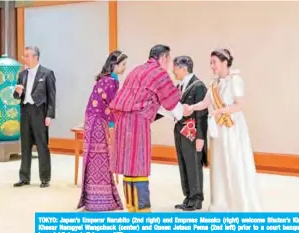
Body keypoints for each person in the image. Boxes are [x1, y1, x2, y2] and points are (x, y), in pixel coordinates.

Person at [109, 45, 186, 212]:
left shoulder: (137, 69)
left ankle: (132, 207)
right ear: (164, 58)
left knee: (128, 166)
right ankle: (143, 210)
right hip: (136, 121)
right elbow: (170, 100)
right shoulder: (159, 73)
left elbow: (148, 99)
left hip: (121, 120)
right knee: (139, 165)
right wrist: (182, 111)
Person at [186, 49, 261, 212]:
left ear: (225, 62)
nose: (212, 66)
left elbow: (240, 105)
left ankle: (238, 204)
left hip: (232, 127)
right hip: (218, 131)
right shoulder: (214, 83)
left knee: (234, 162)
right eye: (211, 62)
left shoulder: (235, 80)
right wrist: (190, 107)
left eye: (214, 62)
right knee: (219, 164)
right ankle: (221, 203)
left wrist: (220, 111)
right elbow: (205, 103)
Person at [155, 56, 208, 211]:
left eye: (176, 68)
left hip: (192, 133)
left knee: (193, 165)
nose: (173, 71)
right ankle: (188, 196)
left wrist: (200, 137)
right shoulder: (180, 87)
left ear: (184, 69)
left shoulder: (198, 86)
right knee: (184, 165)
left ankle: (196, 199)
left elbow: (202, 114)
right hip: (180, 131)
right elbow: (170, 107)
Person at [77, 51, 127, 212]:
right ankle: (102, 199)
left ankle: (92, 198)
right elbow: (113, 106)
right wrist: (114, 127)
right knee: (102, 158)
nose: (125, 68)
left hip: (92, 122)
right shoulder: (111, 82)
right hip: (99, 123)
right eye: (123, 64)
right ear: (114, 65)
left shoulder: (104, 80)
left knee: (94, 159)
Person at [13, 46, 56, 188]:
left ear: (35, 57)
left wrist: (49, 115)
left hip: (39, 113)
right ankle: (24, 177)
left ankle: (45, 178)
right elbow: (16, 96)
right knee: (25, 145)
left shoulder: (47, 73)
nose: (24, 58)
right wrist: (17, 92)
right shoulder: (22, 74)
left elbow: (51, 97)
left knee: (42, 145)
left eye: (26, 55)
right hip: (25, 111)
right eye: (24, 55)